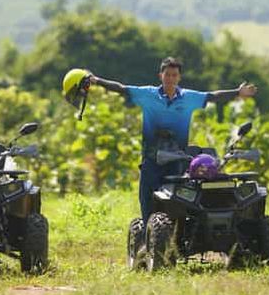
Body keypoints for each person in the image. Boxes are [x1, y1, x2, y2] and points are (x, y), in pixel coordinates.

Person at [88, 56, 257, 223]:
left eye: (174, 75)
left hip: (178, 161)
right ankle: (148, 241)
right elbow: (121, 88)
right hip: (152, 159)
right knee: (148, 200)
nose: (170, 78)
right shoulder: (147, 94)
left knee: (179, 204)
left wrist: (237, 92)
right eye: (167, 74)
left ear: (179, 77)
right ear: (160, 76)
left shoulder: (189, 97)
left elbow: (213, 96)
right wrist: (96, 80)